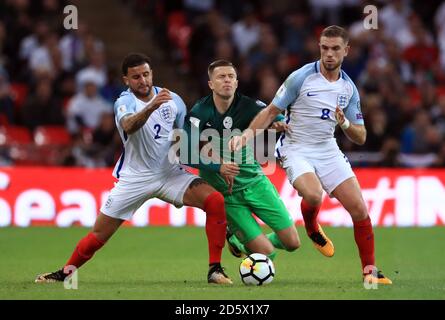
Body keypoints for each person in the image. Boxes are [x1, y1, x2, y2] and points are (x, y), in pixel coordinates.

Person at [35, 53, 235, 285]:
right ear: (126, 80)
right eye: (136, 77)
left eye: (146, 74)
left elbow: (186, 142)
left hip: (169, 173)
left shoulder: (173, 101)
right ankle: (64, 274)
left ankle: (215, 270)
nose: (143, 80)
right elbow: (129, 125)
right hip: (135, 178)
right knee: (99, 235)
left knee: (215, 201)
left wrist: (217, 163)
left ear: (152, 74)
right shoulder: (124, 102)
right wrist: (151, 107)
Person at [229, 26, 392, 285]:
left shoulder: (348, 88)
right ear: (319, 47)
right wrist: (246, 136)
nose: (329, 54)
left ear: (346, 51)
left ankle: (369, 272)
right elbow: (271, 111)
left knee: (360, 209)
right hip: (296, 147)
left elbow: (360, 136)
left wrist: (346, 124)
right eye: (324, 48)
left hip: (328, 148)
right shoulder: (301, 77)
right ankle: (312, 226)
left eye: (335, 49)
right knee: (314, 194)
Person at [182, 59, 300, 261]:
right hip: (227, 195)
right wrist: (219, 166)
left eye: (231, 76)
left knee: (292, 243)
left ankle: (238, 241)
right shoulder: (199, 112)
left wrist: (278, 124)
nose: (227, 80)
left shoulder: (249, 106)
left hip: (256, 183)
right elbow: (184, 153)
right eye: (221, 77)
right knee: (267, 254)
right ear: (211, 83)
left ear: (236, 82)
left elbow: (274, 117)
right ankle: (244, 242)